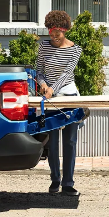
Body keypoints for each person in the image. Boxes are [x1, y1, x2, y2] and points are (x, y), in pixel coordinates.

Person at [36, 10, 83, 196]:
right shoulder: (43, 47)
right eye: (51, 33)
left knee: (70, 141)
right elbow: (39, 71)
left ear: (65, 31)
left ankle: (68, 183)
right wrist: (43, 84)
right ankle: (55, 181)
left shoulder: (75, 50)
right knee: (53, 141)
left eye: (58, 33)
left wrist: (52, 88)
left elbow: (66, 75)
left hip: (68, 95)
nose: (54, 37)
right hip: (50, 98)